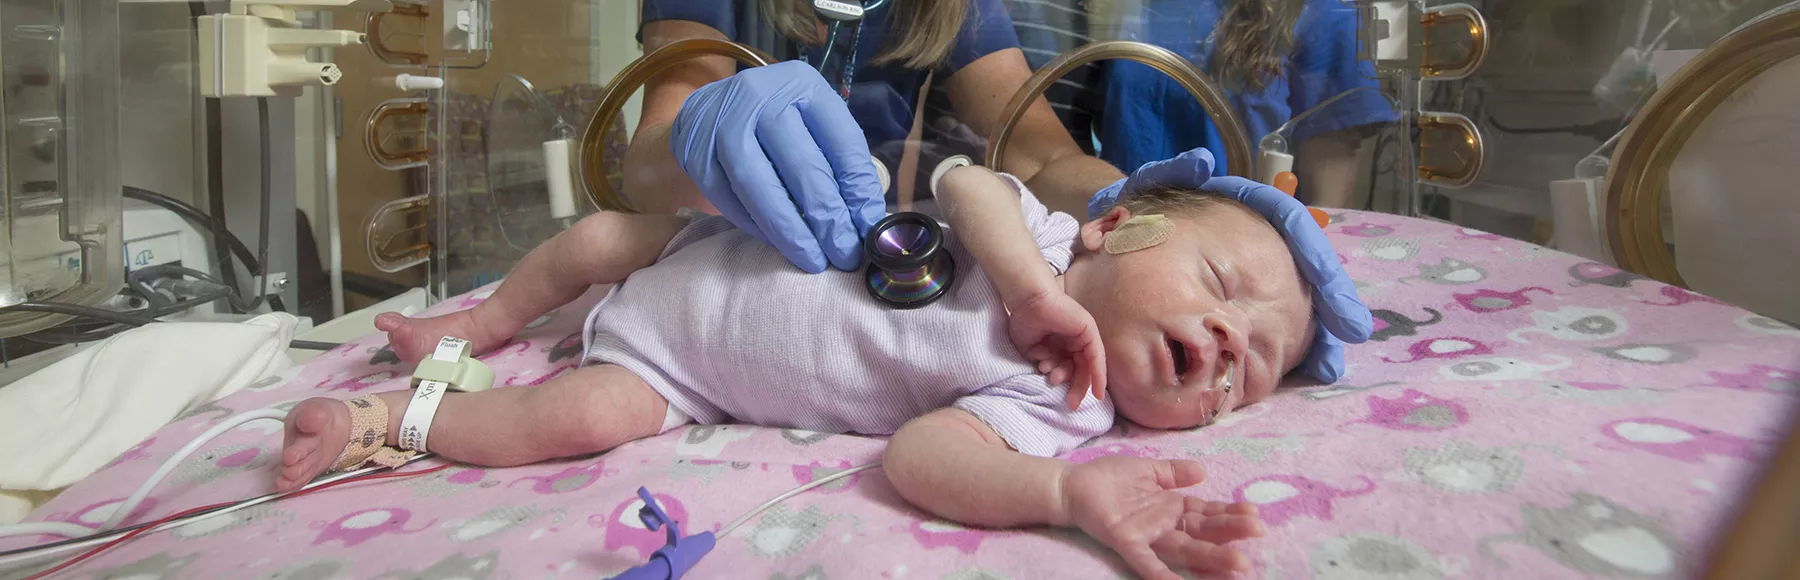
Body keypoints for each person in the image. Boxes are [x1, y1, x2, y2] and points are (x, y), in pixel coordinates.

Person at [281, 155, 1311, 578]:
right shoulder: (1038, 235)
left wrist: (1065, 493)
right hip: (706, 248)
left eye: (1253, 369)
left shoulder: (1062, 408)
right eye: (1220, 280)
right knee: (599, 239)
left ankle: (384, 419)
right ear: (1114, 228)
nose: (1229, 342)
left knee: (571, 418)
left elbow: (920, 456)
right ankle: (475, 322)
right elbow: (961, 180)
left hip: (674, 368)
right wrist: (1025, 286)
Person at [627, 0, 1371, 384]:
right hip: (723, 273)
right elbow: (646, 164)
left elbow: (1037, 153)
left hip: (880, 288)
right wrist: (701, 126)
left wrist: (1162, 210)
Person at [1087, 0, 1396, 209]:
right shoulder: (1135, 10)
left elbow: (1330, 173)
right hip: (1123, 228)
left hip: (1238, 246)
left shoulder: (1321, 16)